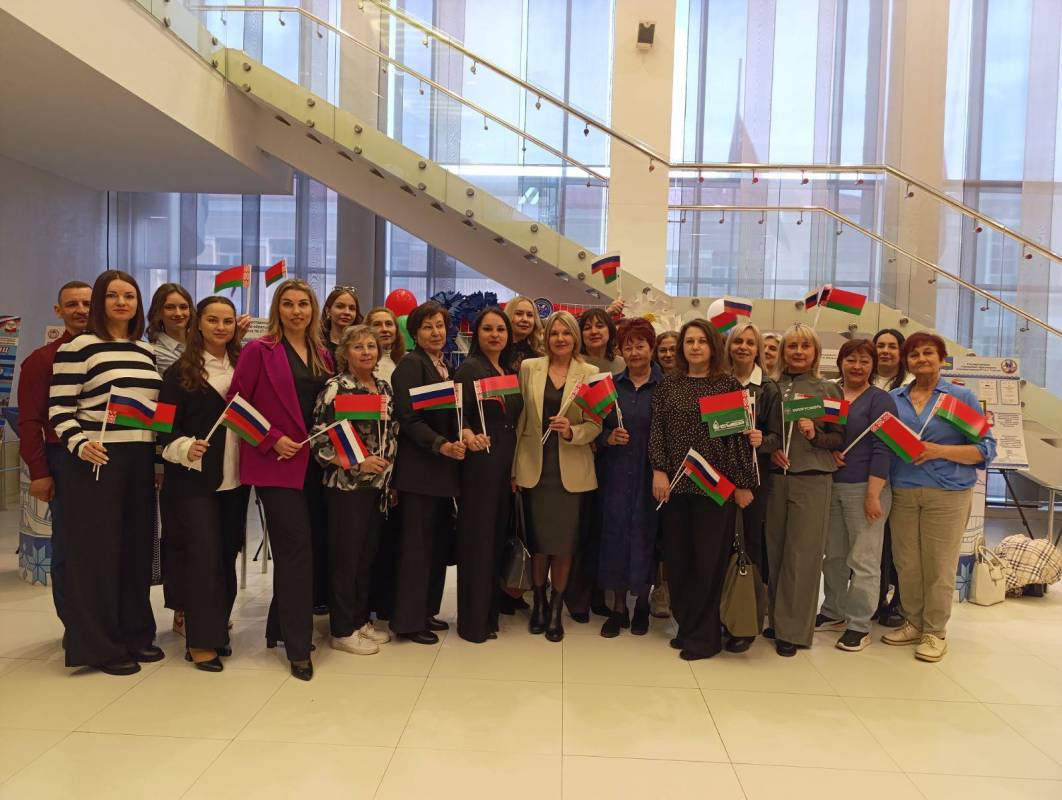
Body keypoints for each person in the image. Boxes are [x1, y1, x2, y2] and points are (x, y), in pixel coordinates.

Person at [49, 270, 163, 676]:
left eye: (129, 296)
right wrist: (81, 444)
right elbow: (59, 409)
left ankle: (135, 634)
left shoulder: (146, 351)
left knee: (135, 550)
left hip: (139, 460)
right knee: (98, 555)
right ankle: (99, 645)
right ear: (100, 301)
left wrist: (158, 460)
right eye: (113, 295)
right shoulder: (79, 347)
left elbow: (155, 414)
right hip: (96, 462)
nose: (121, 302)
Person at [227, 278, 333, 681]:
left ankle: (279, 627)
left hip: (316, 465)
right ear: (278, 309)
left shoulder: (323, 354)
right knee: (295, 553)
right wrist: (271, 440)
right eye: (288, 304)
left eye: (303, 304)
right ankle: (298, 647)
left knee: (307, 550)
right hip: (276, 465)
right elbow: (235, 406)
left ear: (313, 310)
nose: (296, 311)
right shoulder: (259, 350)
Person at [883, 332, 996, 662]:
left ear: (941, 358)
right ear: (906, 362)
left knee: (939, 565)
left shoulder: (959, 397)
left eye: (928, 353)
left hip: (947, 492)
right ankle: (914, 623)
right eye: (914, 354)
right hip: (903, 489)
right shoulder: (895, 398)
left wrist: (939, 451)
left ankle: (935, 631)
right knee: (907, 564)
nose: (921, 359)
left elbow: (986, 449)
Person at [650, 319, 757, 661]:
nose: (695, 347)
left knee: (708, 563)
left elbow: (735, 441)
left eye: (701, 341)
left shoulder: (726, 385)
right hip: (676, 487)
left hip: (715, 488)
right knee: (678, 561)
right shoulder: (669, 385)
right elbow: (657, 431)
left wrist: (742, 483)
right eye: (689, 341)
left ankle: (705, 636)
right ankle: (687, 626)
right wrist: (658, 470)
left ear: (713, 346)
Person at [157, 296, 250, 672]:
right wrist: (184, 447)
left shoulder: (243, 366)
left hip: (236, 480)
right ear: (198, 323)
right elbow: (162, 428)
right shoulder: (178, 372)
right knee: (202, 558)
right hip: (192, 483)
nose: (221, 327)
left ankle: (217, 630)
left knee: (226, 556)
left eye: (227, 321)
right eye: (213, 320)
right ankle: (200, 641)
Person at [514, 311, 602, 642]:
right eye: (554, 333)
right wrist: (513, 469)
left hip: (571, 472)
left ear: (575, 338)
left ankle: (555, 610)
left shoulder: (590, 373)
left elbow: (596, 424)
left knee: (564, 546)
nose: (560, 339)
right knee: (539, 544)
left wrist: (572, 432)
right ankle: (537, 603)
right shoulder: (529, 368)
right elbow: (520, 420)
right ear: (546, 337)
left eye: (566, 333)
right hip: (535, 469)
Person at [310, 324, 396, 656]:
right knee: (345, 560)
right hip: (346, 487)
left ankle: (360, 620)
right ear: (345, 352)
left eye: (371, 346)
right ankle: (342, 629)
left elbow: (391, 433)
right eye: (358, 346)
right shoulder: (336, 388)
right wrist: (358, 463)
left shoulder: (384, 387)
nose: (366, 352)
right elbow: (319, 440)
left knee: (365, 557)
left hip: (378, 487)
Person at [765, 323, 845, 657]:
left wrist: (814, 435)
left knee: (802, 556)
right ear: (783, 352)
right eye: (792, 346)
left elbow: (838, 437)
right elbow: (761, 430)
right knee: (775, 553)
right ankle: (775, 619)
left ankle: (793, 630)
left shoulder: (828, 390)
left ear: (815, 352)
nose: (798, 352)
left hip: (811, 478)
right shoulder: (770, 387)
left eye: (805, 346)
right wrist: (771, 449)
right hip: (775, 478)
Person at [390, 301, 466, 644]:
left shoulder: (443, 365)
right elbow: (408, 418)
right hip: (419, 473)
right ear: (415, 333)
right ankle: (408, 621)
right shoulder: (411, 365)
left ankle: (426, 612)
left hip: (441, 473)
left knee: (434, 548)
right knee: (416, 550)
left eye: (440, 325)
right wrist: (440, 444)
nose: (436, 332)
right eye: (427, 327)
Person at [17, 280, 92, 629]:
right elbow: (30, 421)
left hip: (114, 460)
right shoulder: (42, 360)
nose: (81, 310)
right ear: (58, 311)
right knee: (72, 547)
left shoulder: (117, 353)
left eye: (87, 303)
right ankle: (75, 626)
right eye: (72, 304)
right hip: (65, 460)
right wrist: (40, 472)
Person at [816, 339, 896, 652]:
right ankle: (833, 610)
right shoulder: (831, 394)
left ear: (873, 366)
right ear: (840, 362)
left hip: (866, 488)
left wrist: (873, 494)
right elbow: (824, 435)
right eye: (851, 360)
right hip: (831, 486)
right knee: (834, 555)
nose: (857, 366)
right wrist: (829, 451)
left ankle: (859, 624)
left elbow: (883, 447)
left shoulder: (880, 400)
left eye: (864, 361)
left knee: (863, 559)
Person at [454, 308, 523, 642]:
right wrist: (468, 435)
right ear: (477, 334)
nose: (495, 335)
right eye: (488, 329)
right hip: (480, 464)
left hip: (505, 463)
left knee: (495, 539)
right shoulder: (469, 369)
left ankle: (488, 615)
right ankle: (472, 622)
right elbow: (459, 415)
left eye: (500, 329)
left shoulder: (508, 371)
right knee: (477, 542)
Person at [596, 319, 663, 637]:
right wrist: (607, 437)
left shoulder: (666, 387)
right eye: (628, 347)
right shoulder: (610, 386)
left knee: (646, 538)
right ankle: (619, 608)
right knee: (616, 538)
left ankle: (643, 605)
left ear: (652, 348)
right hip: (616, 475)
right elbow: (593, 424)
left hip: (652, 477)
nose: (634, 352)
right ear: (621, 351)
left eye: (640, 345)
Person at [722, 321, 783, 652]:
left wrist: (763, 440)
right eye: (738, 341)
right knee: (721, 546)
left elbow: (777, 438)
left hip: (753, 481)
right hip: (719, 479)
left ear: (758, 349)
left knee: (750, 545)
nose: (743, 347)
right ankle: (722, 613)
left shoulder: (768, 388)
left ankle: (746, 620)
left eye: (749, 342)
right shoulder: (719, 383)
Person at [871, 329, 911, 626]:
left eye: (892, 346)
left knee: (898, 545)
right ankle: (874, 599)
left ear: (901, 352)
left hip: (901, 476)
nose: (885, 351)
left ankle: (899, 602)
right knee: (875, 545)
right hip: (869, 476)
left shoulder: (910, 387)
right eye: (880, 345)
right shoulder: (862, 382)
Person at [648, 329, 680, 619]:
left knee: (676, 536)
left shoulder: (699, 381)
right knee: (658, 534)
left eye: (673, 349)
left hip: (689, 471)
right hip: (656, 469)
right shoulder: (653, 382)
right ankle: (659, 588)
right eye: (663, 350)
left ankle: (674, 588)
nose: (668, 354)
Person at [146, 283, 194, 374]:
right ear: (158, 312)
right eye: (170, 307)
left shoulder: (202, 343)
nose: (178, 313)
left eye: (183, 307)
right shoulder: (153, 352)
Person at [364, 305, 406, 385]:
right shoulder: (363, 363)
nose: (384, 329)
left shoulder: (407, 360)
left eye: (389, 324)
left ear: (396, 329)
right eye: (377, 324)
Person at [322, 286, 363, 362]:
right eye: (340, 307)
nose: (347, 312)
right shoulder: (316, 343)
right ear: (328, 311)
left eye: (352, 308)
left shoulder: (363, 344)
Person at [579, 306, 625, 374]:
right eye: (587, 328)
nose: (594, 331)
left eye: (600, 326)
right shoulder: (573, 363)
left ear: (610, 330)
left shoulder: (622, 364)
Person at [504, 295, 544, 371]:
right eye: (519, 314)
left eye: (530, 315)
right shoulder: (497, 350)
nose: (525, 319)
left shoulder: (539, 353)